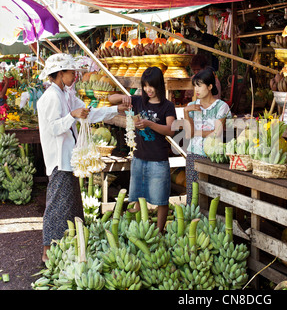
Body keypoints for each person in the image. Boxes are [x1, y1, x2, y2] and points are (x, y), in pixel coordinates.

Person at [37, 53, 128, 263]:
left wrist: (115, 110)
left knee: (71, 206)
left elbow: (90, 112)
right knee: (56, 206)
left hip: (70, 159)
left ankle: (66, 250)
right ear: (60, 74)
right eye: (71, 72)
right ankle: (46, 253)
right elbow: (53, 128)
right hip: (59, 160)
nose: (76, 75)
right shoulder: (51, 96)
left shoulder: (67, 94)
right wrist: (72, 116)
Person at [109, 66, 176, 232]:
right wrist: (124, 97)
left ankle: (159, 231)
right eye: (145, 86)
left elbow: (170, 130)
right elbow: (111, 98)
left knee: (161, 199)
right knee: (138, 197)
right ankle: (141, 228)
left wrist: (150, 124)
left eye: (151, 86)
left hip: (158, 159)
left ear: (159, 85)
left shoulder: (167, 106)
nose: (148, 90)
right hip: (139, 157)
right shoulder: (138, 101)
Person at [183, 67, 231, 205]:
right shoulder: (191, 106)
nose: (196, 90)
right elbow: (188, 134)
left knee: (212, 198)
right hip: (193, 155)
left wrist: (196, 132)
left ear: (210, 86)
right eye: (195, 86)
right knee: (193, 197)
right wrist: (186, 112)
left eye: (200, 85)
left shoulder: (221, 107)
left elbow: (217, 133)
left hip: (213, 157)